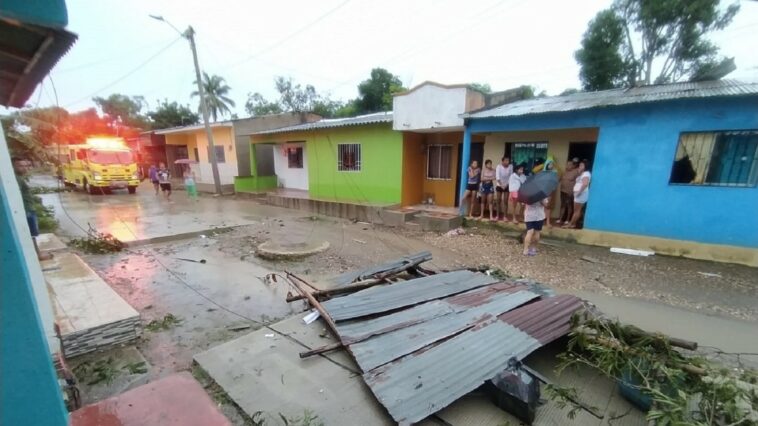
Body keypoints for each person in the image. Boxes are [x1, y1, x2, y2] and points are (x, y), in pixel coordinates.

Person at [12, 157, 53, 261]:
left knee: (31, 234)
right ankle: (37, 255)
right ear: (13, 166)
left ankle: (36, 253)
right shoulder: (17, 179)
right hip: (26, 211)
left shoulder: (19, 178)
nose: (25, 169)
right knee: (31, 234)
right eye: (20, 166)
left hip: (28, 209)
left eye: (26, 166)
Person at [566, 159, 591, 229]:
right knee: (577, 211)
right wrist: (579, 171)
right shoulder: (583, 173)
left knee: (576, 211)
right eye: (580, 165)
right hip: (579, 194)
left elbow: (585, 184)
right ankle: (573, 224)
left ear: (586, 166)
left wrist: (578, 192)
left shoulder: (586, 174)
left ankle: (570, 224)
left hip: (580, 194)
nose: (579, 166)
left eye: (581, 165)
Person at [557, 158, 580, 225]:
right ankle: (560, 219)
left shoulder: (576, 172)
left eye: (569, 164)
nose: (567, 166)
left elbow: (579, 182)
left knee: (569, 205)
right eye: (567, 164)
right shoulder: (565, 171)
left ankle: (567, 219)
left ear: (573, 166)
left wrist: (575, 191)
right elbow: (560, 179)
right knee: (562, 205)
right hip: (563, 191)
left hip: (569, 192)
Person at [495, 156, 512, 221]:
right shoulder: (498, 166)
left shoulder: (510, 166)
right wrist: (502, 185)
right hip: (499, 185)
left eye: (508, 161)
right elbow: (497, 177)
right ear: (502, 161)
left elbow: (511, 176)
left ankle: (505, 216)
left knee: (505, 201)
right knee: (498, 200)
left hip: (507, 185)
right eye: (506, 160)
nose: (507, 162)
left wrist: (507, 185)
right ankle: (497, 216)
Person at [542, 159, 558, 228]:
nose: (551, 165)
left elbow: (555, 182)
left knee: (548, 206)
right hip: (543, 191)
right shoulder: (543, 172)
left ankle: (548, 222)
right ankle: (542, 220)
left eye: (552, 164)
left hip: (550, 191)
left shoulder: (554, 172)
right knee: (543, 206)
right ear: (547, 165)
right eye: (550, 164)